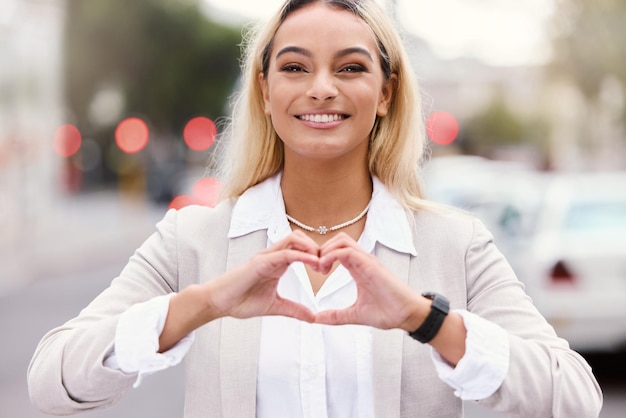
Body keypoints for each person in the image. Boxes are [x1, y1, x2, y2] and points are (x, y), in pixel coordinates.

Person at [28, 0, 602, 417]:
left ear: (384, 94)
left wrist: (422, 320)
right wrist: (202, 305)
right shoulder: (193, 238)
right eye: (296, 67)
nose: (322, 88)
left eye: (350, 68)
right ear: (265, 92)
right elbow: (52, 383)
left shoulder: (455, 242)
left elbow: (574, 398)